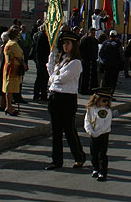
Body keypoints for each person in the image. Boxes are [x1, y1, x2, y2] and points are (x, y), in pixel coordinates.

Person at [45, 31, 86, 170]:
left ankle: (79, 157)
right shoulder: (62, 60)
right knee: (55, 130)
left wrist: (53, 78)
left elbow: (62, 79)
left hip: (67, 98)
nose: (65, 45)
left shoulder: (76, 63)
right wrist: (52, 55)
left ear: (73, 45)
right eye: (63, 43)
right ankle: (56, 160)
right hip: (55, 96)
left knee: (69, 129)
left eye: (68, 43)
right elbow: (51, 71)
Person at [84, 88, 118, 182]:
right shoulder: (91, 109)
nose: (106, 103)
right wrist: (90, 131)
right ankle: (95, 168)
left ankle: (103, 172)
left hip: (103, 134)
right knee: (93, 153)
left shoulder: (107, 111)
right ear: (97, 99)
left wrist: (99, 132)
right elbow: (87, 120)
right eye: (104, 100)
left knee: (102, 154)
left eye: (107, 101)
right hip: (93, 134)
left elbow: (107, 124)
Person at [3, 25, 26, 116]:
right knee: (10, 88)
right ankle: (9, 107)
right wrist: (24, 64)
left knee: (9, 88)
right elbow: (19, 57)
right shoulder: (14, 44)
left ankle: (9, 106)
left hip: (8, 67)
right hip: (13, 68)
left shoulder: (8, 43)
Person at [32, 25, 51, 101]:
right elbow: (39, 49)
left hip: (43, 59)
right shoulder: (42, 36)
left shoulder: (44, 36)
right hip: (41, 60)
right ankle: (39, 94)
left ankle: (42, 94)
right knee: (41, 78)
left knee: (43, 78)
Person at [79, 28, 99, 95]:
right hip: (86, 60)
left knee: (92, 76)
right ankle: (83, 89)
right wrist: (84, 57)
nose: (93, 34)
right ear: (89, 33)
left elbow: (96, 50)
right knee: (85, 75)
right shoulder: (85, 40)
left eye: (94, 33)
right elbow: (81, 50)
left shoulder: (96, 41)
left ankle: (91, 89)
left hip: (93, 60)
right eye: (92, 32)